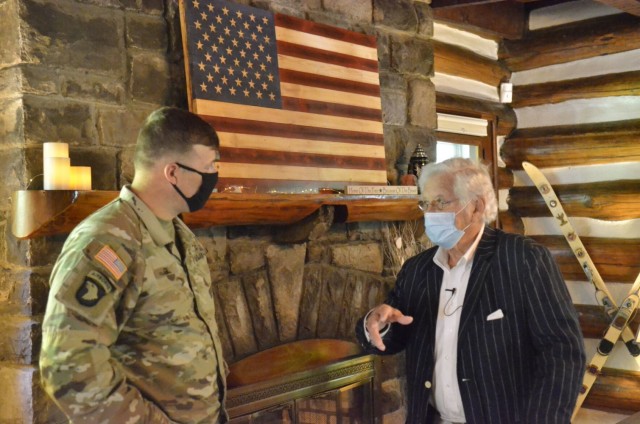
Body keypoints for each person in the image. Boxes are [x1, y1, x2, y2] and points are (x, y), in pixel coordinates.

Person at [356, 158, 585, 424]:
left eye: (440, 202)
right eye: (425, 203)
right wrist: (377, 323)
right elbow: (396, 332)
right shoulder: (417, 269)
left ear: (476, 206)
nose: (430, 212)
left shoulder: (524, 260)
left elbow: (562, 352)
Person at [40, 107, 228, 423]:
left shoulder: (178, 234)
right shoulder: (107, 240)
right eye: (208, 167)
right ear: (173, 173)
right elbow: (66, 366)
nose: (214, 178)